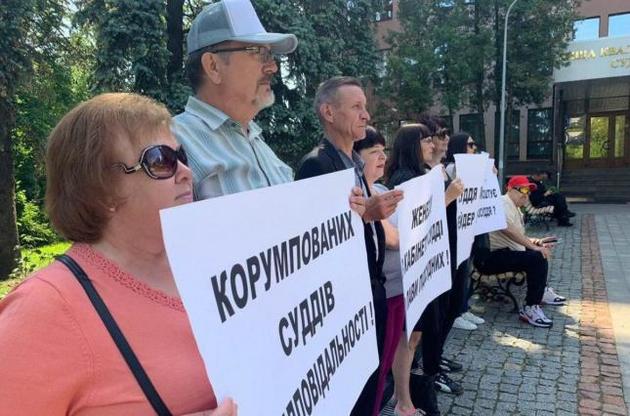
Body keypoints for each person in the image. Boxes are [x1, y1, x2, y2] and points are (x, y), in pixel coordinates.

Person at [0, 93, 236, 415]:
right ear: (102, 192)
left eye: (181, 156)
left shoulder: (212, 267)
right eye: (160, 160)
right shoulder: (45, 310)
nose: (185, 172)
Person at [296, 76, 404, 416]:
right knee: (353, 395)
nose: (366, 115)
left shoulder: (355, 166)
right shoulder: (317, 165)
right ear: (329, 112)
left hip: (372, 292)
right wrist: (367, 215)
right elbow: (314, 243)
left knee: (372, 384)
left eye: (365, 107)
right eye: (356, 106)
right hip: (345, 303)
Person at [171, 0, 298, 199]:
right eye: (260, 53)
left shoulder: (259, 143)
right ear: (213, 66)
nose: (273, 67)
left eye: (270, 55)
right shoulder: (172, 142)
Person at [354, 127, 405, 416]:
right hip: (378, 294)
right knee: (374, 369)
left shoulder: (383, 192)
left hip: (396, 287)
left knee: (385, 364)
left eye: (383, 151)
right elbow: (395, 239)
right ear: (356, 158)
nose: (382, 157)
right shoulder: (359, 197)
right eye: (374, 152)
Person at [477, 176, 567, 328]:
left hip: (505, 252)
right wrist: (534, 247)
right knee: (537, 257)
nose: (526, 194)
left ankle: (541, 292)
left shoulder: (515, 207)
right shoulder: (502, 203)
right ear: (509, 189)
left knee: (539, 253)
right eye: (522, 190)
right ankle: (530, 307)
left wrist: (536, 241)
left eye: (528, 191)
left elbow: (518, 236)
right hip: (490, 258)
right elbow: (508, 230)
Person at [443, 132, 485, 332]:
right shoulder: (451, 169)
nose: (474, 148)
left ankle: (463, 307)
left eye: (474, 144)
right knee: (458, 273)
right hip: (455, 230)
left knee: (465, 271)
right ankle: (456, 312)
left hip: (466, 228)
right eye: (470, 145)